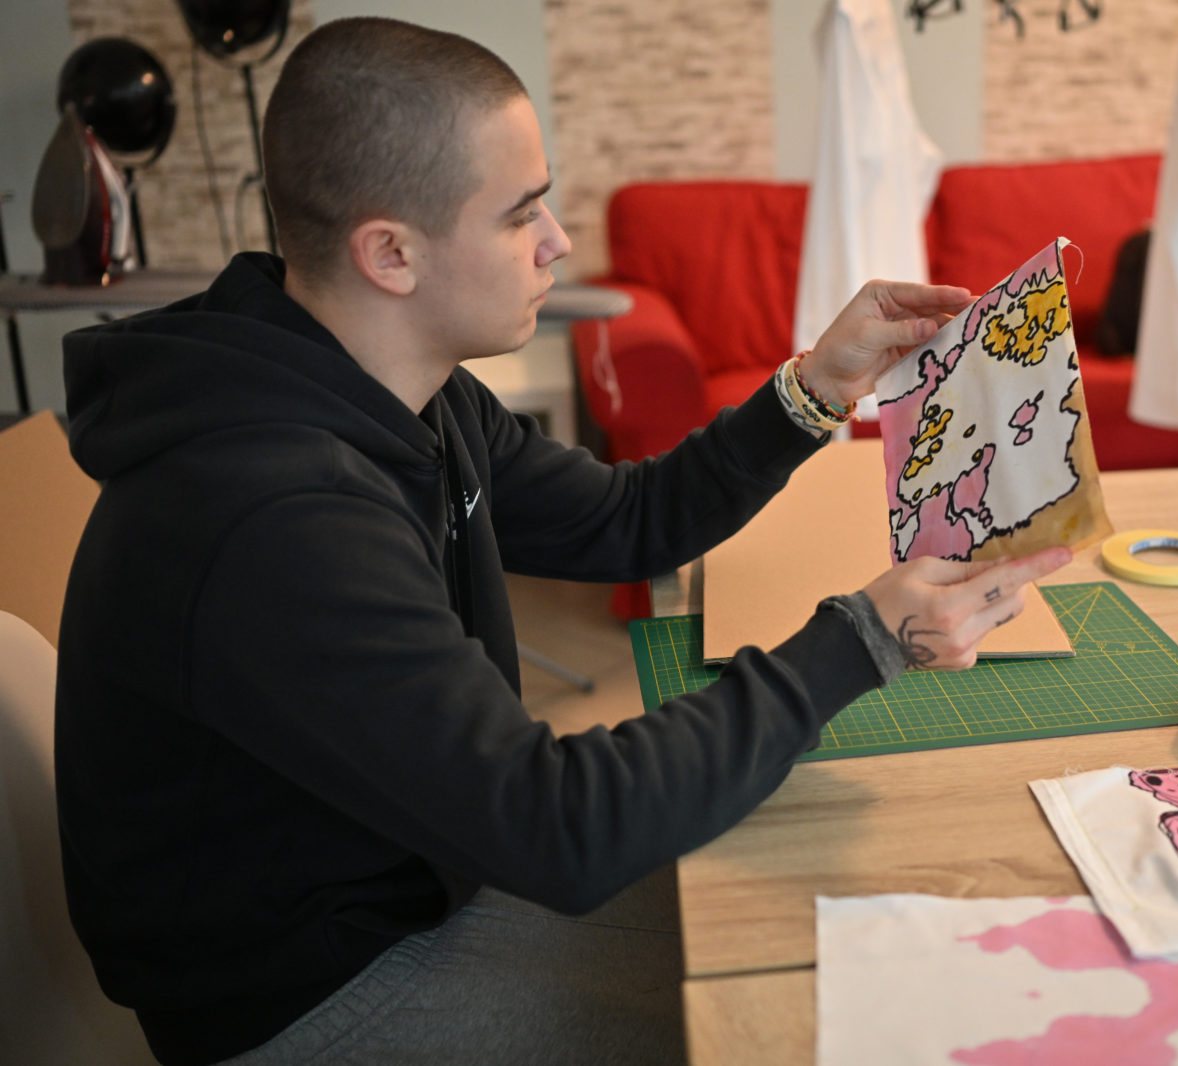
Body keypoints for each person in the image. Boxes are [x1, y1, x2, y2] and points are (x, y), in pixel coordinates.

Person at [53, 16, 1070, 1066]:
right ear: (391, 253)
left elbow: (628, 521)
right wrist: (862, 638)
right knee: (795, 1020)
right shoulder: (273, 513)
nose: (558, 242)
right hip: (311, 993)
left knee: (822, 920)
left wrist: (813, 387)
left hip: (425, 875)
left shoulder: (409, 392)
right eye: (520, 214)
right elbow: (558, 830)